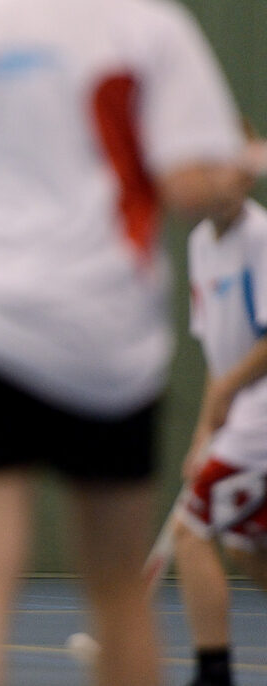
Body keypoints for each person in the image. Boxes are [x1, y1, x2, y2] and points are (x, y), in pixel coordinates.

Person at [0, 0, 256, 684]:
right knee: (119, 593)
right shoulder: (149, 28)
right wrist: (240, 163)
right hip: (107, 340)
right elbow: (190, 187)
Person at [174, 127, 267, 686]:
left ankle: (213, 675)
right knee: (246, 544)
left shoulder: (262, 236)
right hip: (241, 415)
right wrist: (202, 436)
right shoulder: (199, 246)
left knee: (190, 532)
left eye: (236, 165)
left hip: (262, 414)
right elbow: (218, 352)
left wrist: (231, 388)